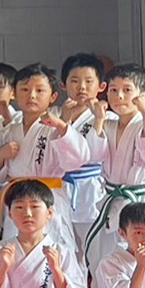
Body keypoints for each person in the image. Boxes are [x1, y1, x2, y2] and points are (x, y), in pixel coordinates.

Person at [0, 63, 100, 288]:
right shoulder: (11, 129)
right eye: (24, 89)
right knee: (16, 260)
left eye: (39, 90)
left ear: (53, 96)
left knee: (64, 262)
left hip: (49, 201)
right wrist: (1, 155)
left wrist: (64, 128)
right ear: (14, 93)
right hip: (18, 203)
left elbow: (77, 159)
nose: (31, 95)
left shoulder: (55, 126)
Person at [84, 63, 145, 287]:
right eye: (113, 90)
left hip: (142, 203)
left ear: (143, 95)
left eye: (127, 90)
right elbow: (93, 156)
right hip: (113, 202)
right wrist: (99, 120)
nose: (119, 96)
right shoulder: (108, 124)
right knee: (106, 262)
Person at [59, 53, 111, 260]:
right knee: (67, 256)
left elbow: (98, 153)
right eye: (74, 81)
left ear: (101, 86)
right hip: (63, 188)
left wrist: (99, 120)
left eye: (89, 81)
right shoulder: (56, 116)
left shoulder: (109, 118)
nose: (81, 87)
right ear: (63, 85)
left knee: (97, 255)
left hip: (93, 190)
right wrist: (63, 121)